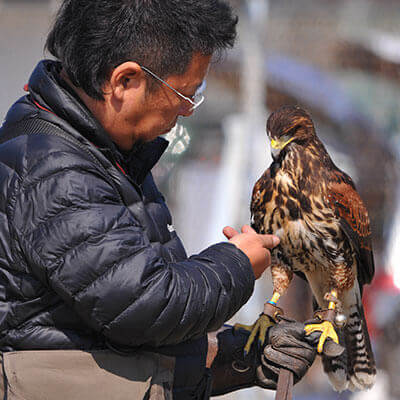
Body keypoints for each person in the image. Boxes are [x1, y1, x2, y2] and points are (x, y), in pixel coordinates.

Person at [0, 1, 319, 399]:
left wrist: (246, 354)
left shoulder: (102, 154)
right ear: (124, 81)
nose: (187, 109)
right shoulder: (55, 170)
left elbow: (126, 342)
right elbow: (145, 304)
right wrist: (236, 264)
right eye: (184, 92)